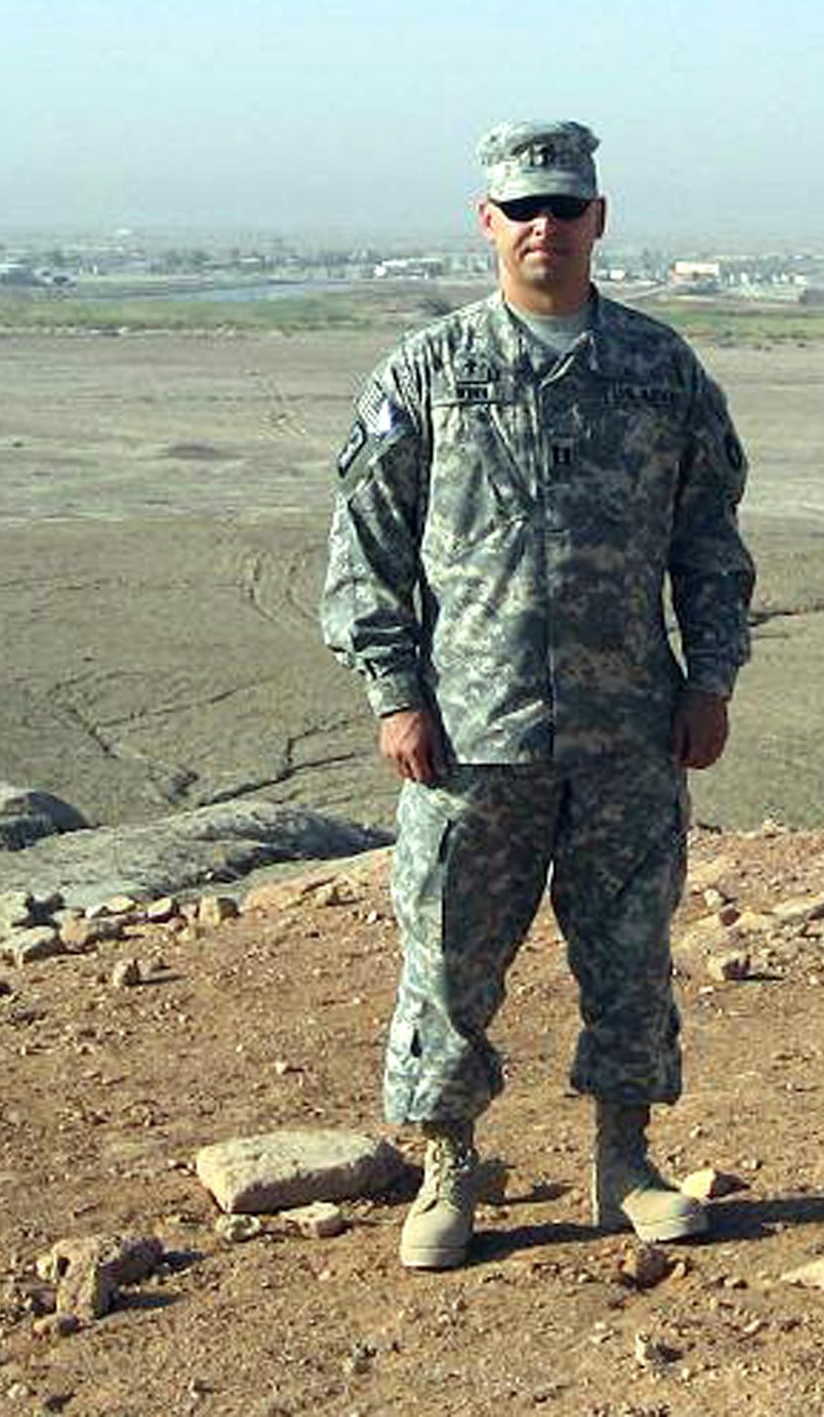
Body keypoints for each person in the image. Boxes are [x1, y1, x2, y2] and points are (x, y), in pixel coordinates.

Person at [321, 120, 754, 1270]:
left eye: (565, 206)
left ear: (599, 219)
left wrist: (710, 678)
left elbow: (710, 543)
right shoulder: (427, 373)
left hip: (628, 734)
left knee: (629, 955)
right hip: (473, 736)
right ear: (488, 223)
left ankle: (627, 1162)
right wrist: (394, 693)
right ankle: (447, 1168)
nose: (544, 226)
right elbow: (367, 552)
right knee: (451, 959)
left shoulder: (660, 371)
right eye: (522, 208)